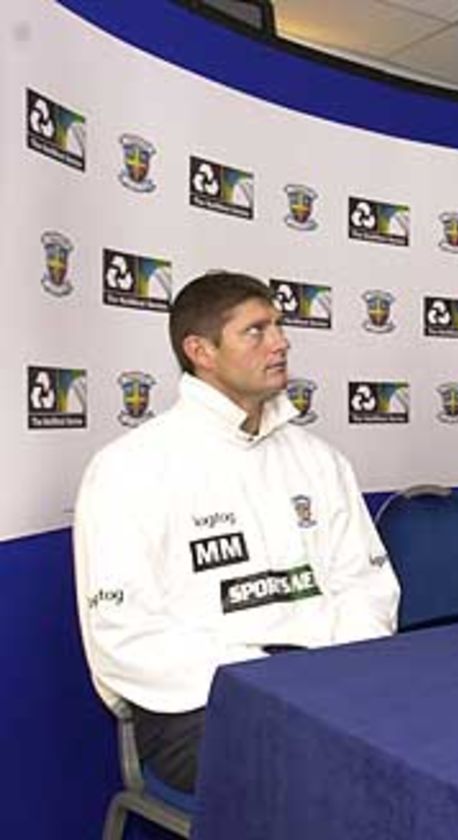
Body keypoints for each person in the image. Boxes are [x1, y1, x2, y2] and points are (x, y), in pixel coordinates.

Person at [73, 271, 400, 794]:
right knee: (332, 774)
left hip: (330, 680)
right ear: (200, 351)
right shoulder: (129, 468)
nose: (281, 342)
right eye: (256, 330)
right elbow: (125, 633)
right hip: (200, 705)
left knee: (431, 742)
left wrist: (340, 669)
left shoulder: (319, 459)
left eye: (280, 326)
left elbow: (366, 584)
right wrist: (266, 682)